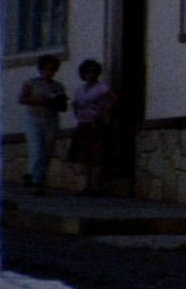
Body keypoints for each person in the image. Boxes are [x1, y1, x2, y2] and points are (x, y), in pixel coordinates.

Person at [17, 55, 69, 190]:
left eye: (53, 69)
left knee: (46, 151)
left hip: (51, 120)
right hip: (34, 119)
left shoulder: (58, 86)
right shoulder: (31, 82)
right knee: (36, 149)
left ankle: (37, 176)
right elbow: (22, 99)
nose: (50, 72)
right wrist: (38, 100)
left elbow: (63, 108)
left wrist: (58, 101)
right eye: (47, 69)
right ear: (41, 69)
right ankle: (36, 180)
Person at [70, 60, 115, 194]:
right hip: (83, 123)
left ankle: (96, 186)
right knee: (84, 156)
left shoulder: (102, 87)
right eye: (88, 71)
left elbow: (114, 99)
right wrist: (77, 114)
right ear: (83, 74)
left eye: (94, 71)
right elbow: (76, 103)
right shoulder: (80, 90)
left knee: (97, 155)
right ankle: (87, 185)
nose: (91, 74)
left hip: (96, 124)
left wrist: (104, 112)